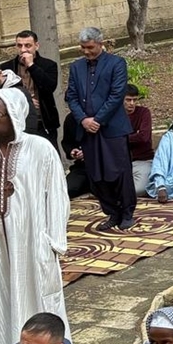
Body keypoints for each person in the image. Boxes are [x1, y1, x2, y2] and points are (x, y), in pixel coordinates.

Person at [0, 88, 70, 344]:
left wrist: (53, 243)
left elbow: (57, 196)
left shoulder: (40, 149)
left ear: (14, 115)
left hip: (31, 244)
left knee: (36, 303)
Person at [64, 27, 137, 230]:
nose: (86, 51)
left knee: (119, 172)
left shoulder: (116, 63)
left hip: (112, 129)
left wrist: (97, 120)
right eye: (83, 47)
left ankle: (127, 213)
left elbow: (116, 94)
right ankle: (112, 213)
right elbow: (71, 96)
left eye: (90, 47)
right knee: (96, 175)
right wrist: (83, 120)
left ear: (100, 44)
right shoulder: (76, 67)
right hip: (87, 130)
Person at [0, 29, 59, 150]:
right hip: (17, 123)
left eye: (28, 45)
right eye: (19, 45)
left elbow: (49, 88)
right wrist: (27, 100)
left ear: (36, 46)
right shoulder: (7, 68)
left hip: (42, 121)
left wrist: (31, 66)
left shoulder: (48, 65)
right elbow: (3, 94)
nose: (23, 50)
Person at [124, 85, 154, 197]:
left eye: (134, 100)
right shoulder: (114, 115)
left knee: (140, 189)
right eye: (128, 100)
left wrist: (120, 138)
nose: (132, 103)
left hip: (142, 160)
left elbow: (144, 137)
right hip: (120, 162)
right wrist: (134, 135)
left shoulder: (143, 113)